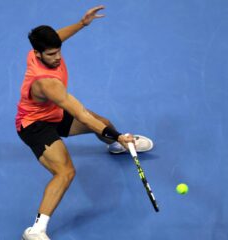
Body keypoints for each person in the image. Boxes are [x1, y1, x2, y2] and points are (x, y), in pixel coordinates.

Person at [16, 5, 153, 240]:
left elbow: (58, 37)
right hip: (34, 126)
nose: (57, 57)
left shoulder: (41, 50)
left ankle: (115, 146)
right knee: (65, 172)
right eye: (51, 54)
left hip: (53, 114)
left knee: (105, 122)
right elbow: (81, 114)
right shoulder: (47, 83)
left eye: (58, 51)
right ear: (37, 54)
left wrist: (82, 24)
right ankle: (36, 230)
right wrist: (118, 133)